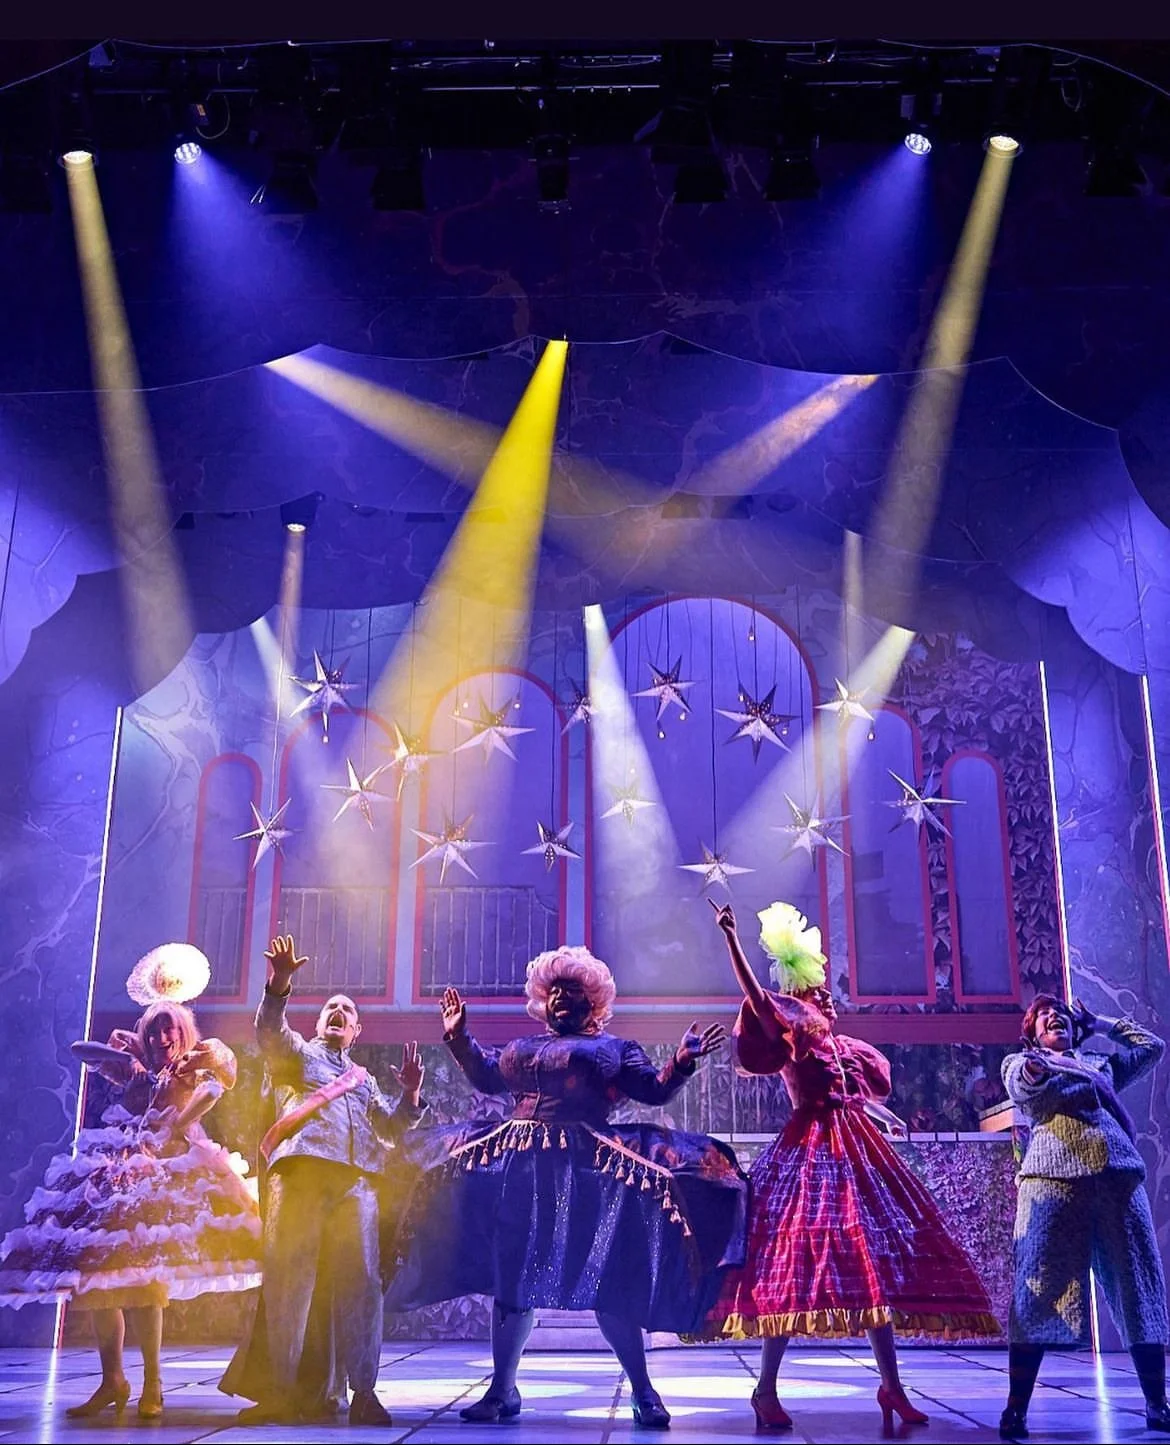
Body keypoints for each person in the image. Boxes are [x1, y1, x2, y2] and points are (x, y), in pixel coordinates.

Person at [385, 945, 748, 1430]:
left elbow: (656, 1090)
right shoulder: (523, 1048)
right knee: (512, 1280)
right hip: (516, 1167)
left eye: (572, 991)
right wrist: (459, 1038)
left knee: (608, 1281)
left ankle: (643, 1391)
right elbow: (490, 1078)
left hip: (585, 1171)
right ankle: (501, 1391)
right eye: (553, 991)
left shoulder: (614, 1050)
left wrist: (681, 1062)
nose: (560, 998)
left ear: (592, 1002)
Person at [704, 901, 999, 1433]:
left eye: (827, 991)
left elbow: (853, 1096)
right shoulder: (790, 1028)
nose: (827, 996)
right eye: (818, 990)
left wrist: (883, 1115)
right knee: (792, 1260)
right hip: (812, 1147)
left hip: (853, 1142)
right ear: (799, 993)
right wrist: (731, 940)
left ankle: (892, 1386)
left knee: (874, 1263)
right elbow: (755, 997)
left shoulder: (840, 1046)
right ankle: (765, 1387)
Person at [0, 943, 261, 1422]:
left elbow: (223, 1076)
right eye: (155, 1027)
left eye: (171, 1028)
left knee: (146, 1284)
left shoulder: (194, 1060)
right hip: (118, 1169)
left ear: (182, 1031)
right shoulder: (134, 1061)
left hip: (169, 1172)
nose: (163, 1036)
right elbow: (80, 1051)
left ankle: (154, 1383)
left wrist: (191, 1087)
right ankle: (113, 1380)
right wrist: (128, 1051)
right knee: (99, 1278)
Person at [219, 934, 426, 1429]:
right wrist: (280, 984)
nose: (337, 1011)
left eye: (347, 1010)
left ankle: (365, 1394)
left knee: (363, 1289)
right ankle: (278, 1393)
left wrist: (412, 1096)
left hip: (356, 1186)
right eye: (330, 1007)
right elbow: (269, 1030)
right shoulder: (295, 1055)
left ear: (357, 1030)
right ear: (319, 1023)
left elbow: (392, 1129)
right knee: (290, 1285)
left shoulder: (365, 1080)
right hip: (300, 1177)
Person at [999, 993, 1170, 1441]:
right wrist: (1037, 1064)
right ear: (1031, 1033)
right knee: (1036, 1289)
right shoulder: (1022, 1062)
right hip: (1051, 1182)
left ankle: (1157, 1403)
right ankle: (1016, 1409)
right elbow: (1022, 1082)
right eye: (1042, 1017)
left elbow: (1151, 1046)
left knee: (1138, 1286)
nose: (1053, 1018)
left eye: (1060, 1014)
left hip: (1117, 1181)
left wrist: (1099, 1023)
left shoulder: (1101, 1065)